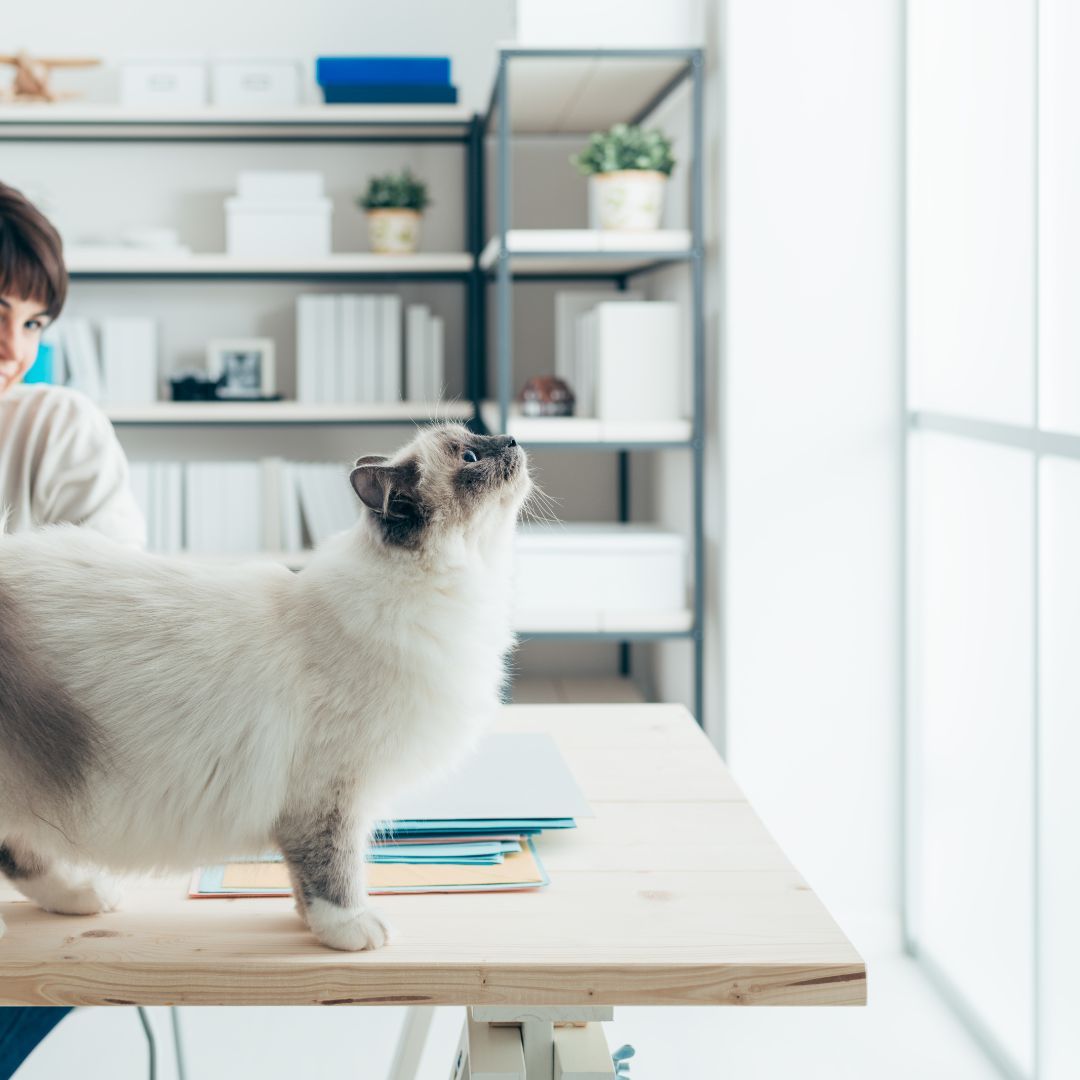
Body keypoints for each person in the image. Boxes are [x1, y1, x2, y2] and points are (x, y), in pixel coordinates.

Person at [0, 181, 145, 1077]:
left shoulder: (57, 430)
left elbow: (106, 631)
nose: (12, 348)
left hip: (46, 818)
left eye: (32, 323)